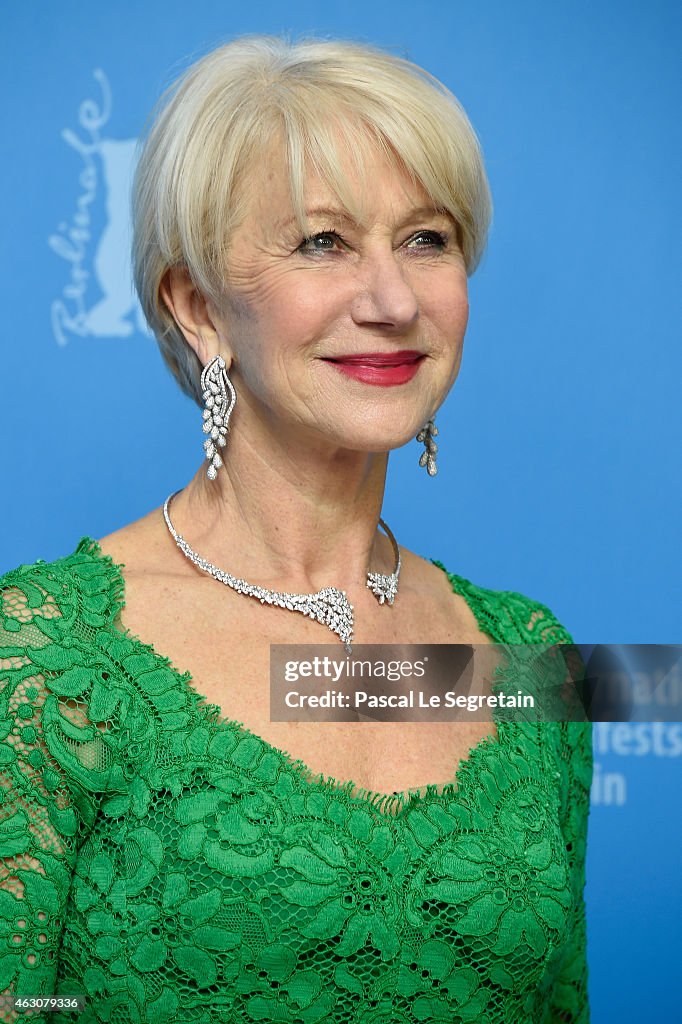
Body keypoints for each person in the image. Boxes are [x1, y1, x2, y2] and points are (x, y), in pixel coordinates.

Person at [0, 35, 592, 1023]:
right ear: (199, 309)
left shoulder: (533, 656)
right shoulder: (43, 656)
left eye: (427, 238)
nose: (394, 300)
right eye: (323, 241)